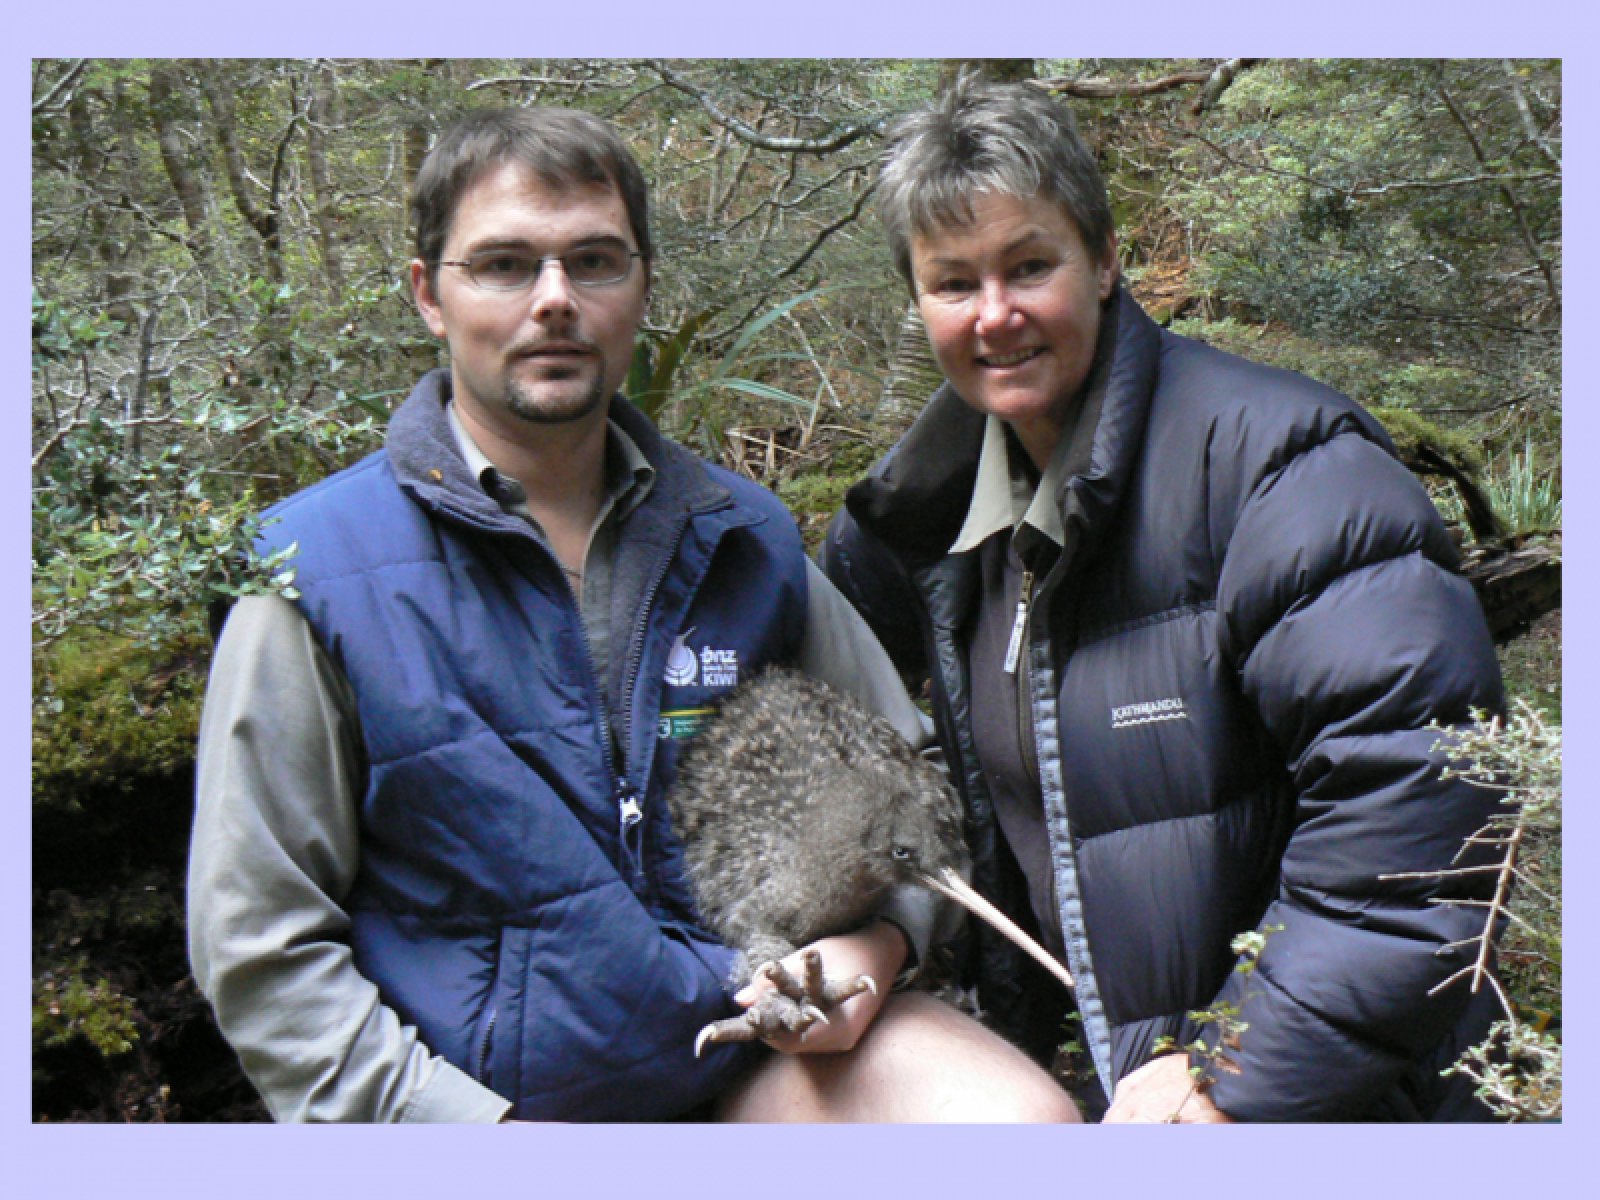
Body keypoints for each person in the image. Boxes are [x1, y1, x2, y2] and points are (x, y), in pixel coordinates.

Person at [187, 105, 1077, 1124]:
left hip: (744, 1063)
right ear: (430, 294)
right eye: (505, 265)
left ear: (641, 285)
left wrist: (873, 949)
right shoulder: (314, 574)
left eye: (594, 262)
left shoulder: (738, 536)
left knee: (1018, 1130)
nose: (555, 300)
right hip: (475, 1110)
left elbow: (911, 784)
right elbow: (261, 945)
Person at [819, 76, 1507, 1123]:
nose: (994, 314)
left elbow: (1418, 817)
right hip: (1113, 1087)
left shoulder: (1287, 470)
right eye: (953, 283)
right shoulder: (929, 527)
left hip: (1333, 1101)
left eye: (1029, 265)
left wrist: (1231, 1064)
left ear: (1101, 261)